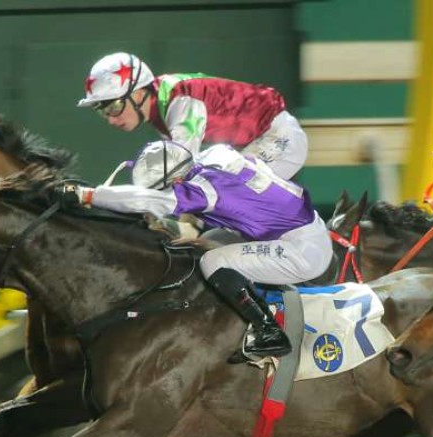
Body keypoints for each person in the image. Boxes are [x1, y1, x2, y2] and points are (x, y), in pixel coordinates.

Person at [61, 140, 331, 360]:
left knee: (214, 262)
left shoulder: (205, 190)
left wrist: (88, 195)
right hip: (298, 230)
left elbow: (146, 200)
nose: (167, 191)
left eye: (166, 186)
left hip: (301, 249)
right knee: (211, 237)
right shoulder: (215, 153)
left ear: (177, 178)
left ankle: (269, 332)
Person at [77, 52, 308, 180]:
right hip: (257, 141)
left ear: (137, 94)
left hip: (278, 138)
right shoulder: (161, 102)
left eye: (113, 107)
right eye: (103, 111)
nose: (110, 119)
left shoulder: (180, 102)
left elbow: (181, 167)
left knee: (223, 193)